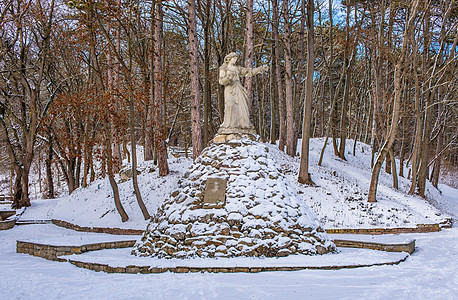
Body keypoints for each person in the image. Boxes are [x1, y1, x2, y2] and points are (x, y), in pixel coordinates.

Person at [218, 52, 268, 134]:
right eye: (234, 58)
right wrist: (228, 78)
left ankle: (243, 126)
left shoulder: (238, 68)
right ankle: (229, 126)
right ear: (229, 59)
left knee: (242, 107)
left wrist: (260, 69)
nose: (235, 60)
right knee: (230, 106)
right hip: (229, 89)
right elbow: (221, 81)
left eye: (236, 59)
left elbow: (249, 72)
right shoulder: (224, 68)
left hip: (238, 88)